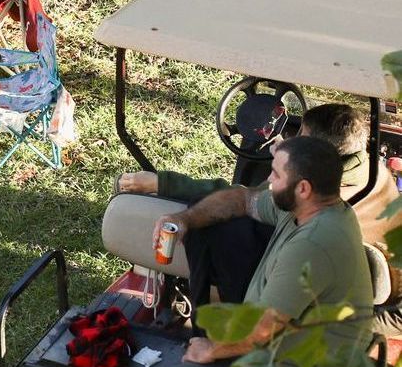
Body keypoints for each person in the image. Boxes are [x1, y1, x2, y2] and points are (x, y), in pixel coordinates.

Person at [119, 103, 394, 317]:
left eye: (301, 137)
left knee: (226, 230)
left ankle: (211, 320)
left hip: (329, 302)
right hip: (346, 280)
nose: (292, 139)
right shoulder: (371, 170)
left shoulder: (312, 197)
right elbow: (243, 198)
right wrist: (187, 218)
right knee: (215, 214)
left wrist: (163, 183)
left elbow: (250, 195)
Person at [145, 136, 374, 367]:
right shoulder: (305, 207)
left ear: (303, 188)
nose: (269, 181)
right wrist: (184, 220)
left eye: (275, 175)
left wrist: (212, 348)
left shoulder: (313, 243)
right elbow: (242, 199)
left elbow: (264, 330)